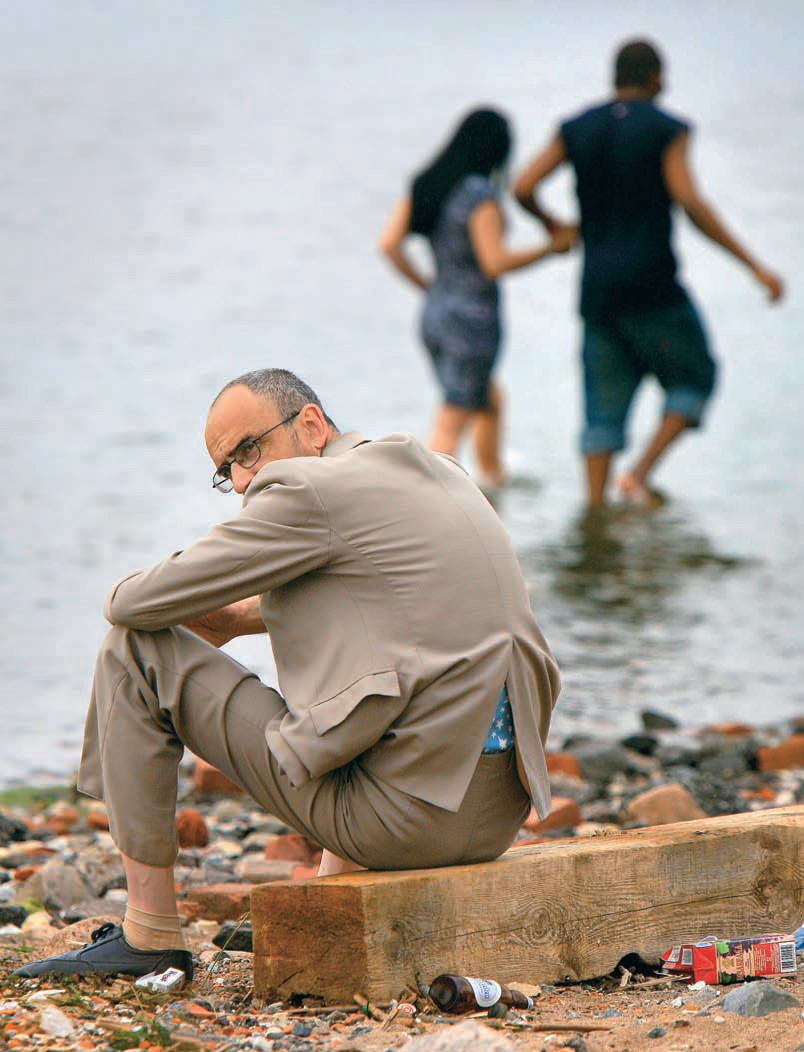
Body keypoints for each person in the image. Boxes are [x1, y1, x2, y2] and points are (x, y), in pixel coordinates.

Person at [14, 367, 561, 979]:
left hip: (404, 824)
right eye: (225, 471)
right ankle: (327, 897)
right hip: (497, 814)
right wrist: (243, 618)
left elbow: (130, 604)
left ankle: (148, 936)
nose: (242, 480)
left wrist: (203, 597)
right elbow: (403, 609)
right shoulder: (437, 473)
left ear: (311, 424)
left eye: (249, 450)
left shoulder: (308, 491)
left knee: (133, 652)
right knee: (376, 681)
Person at [513, 39, 784, 508]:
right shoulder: (666, 129)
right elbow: (689, 201)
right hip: (653, 285)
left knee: (601, 411)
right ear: (656, 77)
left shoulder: (576, 128)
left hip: (597, 290)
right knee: (696, 378)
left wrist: (554, 226)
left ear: (615, 76)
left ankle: (594, 511)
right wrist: (753, 265)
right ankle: (637, 476)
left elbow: (523, 186)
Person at [379, 107, 574, 491]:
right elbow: (494, 262)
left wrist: (429, 287)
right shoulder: (480, 196)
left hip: (435, 313)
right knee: (453, 418)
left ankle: (491, 484)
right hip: (471, 320)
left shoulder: (428, 185)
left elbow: (389, 244)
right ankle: (428, 498)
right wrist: (550, 249)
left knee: (488, 400)